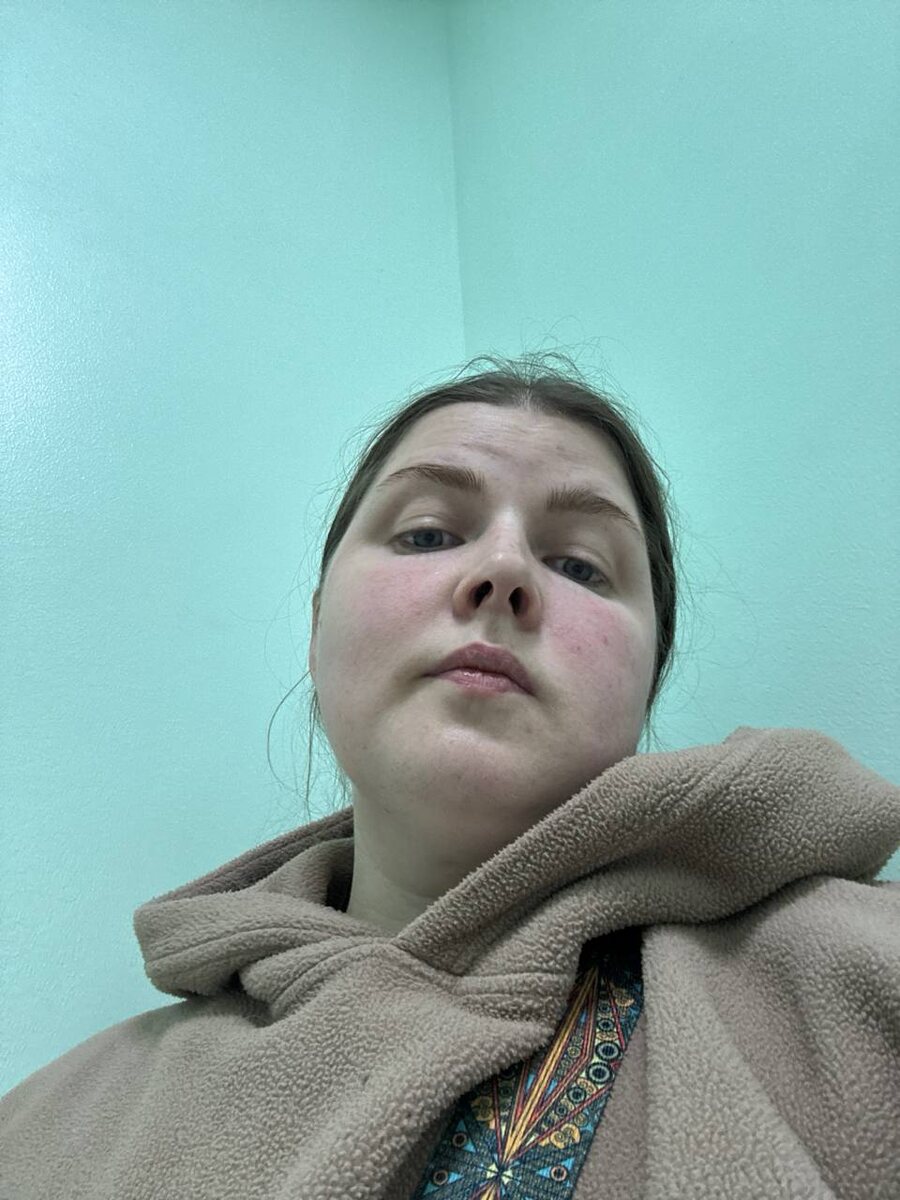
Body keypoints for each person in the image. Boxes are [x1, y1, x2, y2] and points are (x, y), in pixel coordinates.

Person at [2, 354, 898, 1200]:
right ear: (317, 630)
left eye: (580, 565)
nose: (502, 571)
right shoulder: (41, 1134)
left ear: (647, 676)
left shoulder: (861, 984)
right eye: (427, 533)